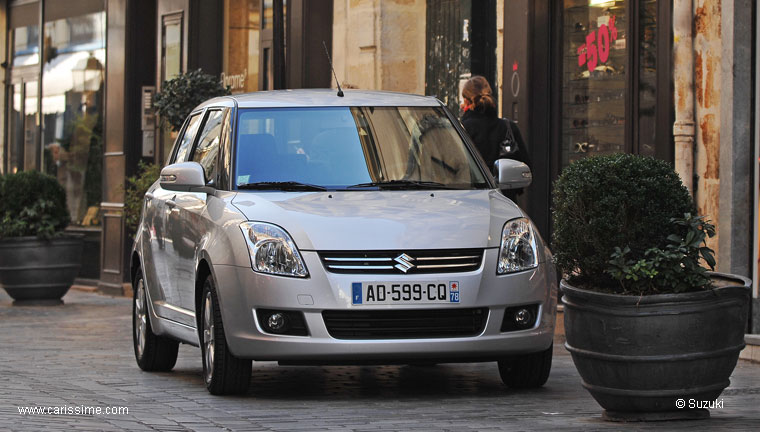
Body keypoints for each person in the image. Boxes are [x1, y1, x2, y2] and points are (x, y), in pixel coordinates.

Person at [460, 76, 530, 201]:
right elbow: (525, 166)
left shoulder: (462, 129)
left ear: (466, 102)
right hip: (504, 201)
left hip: (469, 200)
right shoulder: (508, 128)